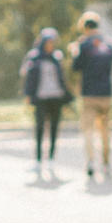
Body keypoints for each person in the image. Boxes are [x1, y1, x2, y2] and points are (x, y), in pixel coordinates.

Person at [69, 12, 112, 179]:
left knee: (88, 129)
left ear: (85, 28)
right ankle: (106, 162)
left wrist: (74, 51)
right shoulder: (110, 43)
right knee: (105, 129)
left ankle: (91, 161)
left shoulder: (83, 44)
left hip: (89, 93)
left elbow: (76, 67)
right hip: (106, 93)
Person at [20, 27, 71, 171]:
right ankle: (37, 160)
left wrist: (67, 97)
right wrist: (28, 95)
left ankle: (51, 159)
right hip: (41, 98)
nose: (50, 45)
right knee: (40, 128)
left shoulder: (57, 57)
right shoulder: (34, 57)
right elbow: (28, 77)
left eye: (52, 42)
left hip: (56, 97)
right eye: (48, 42)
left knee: (54, 129)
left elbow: (62, 78)